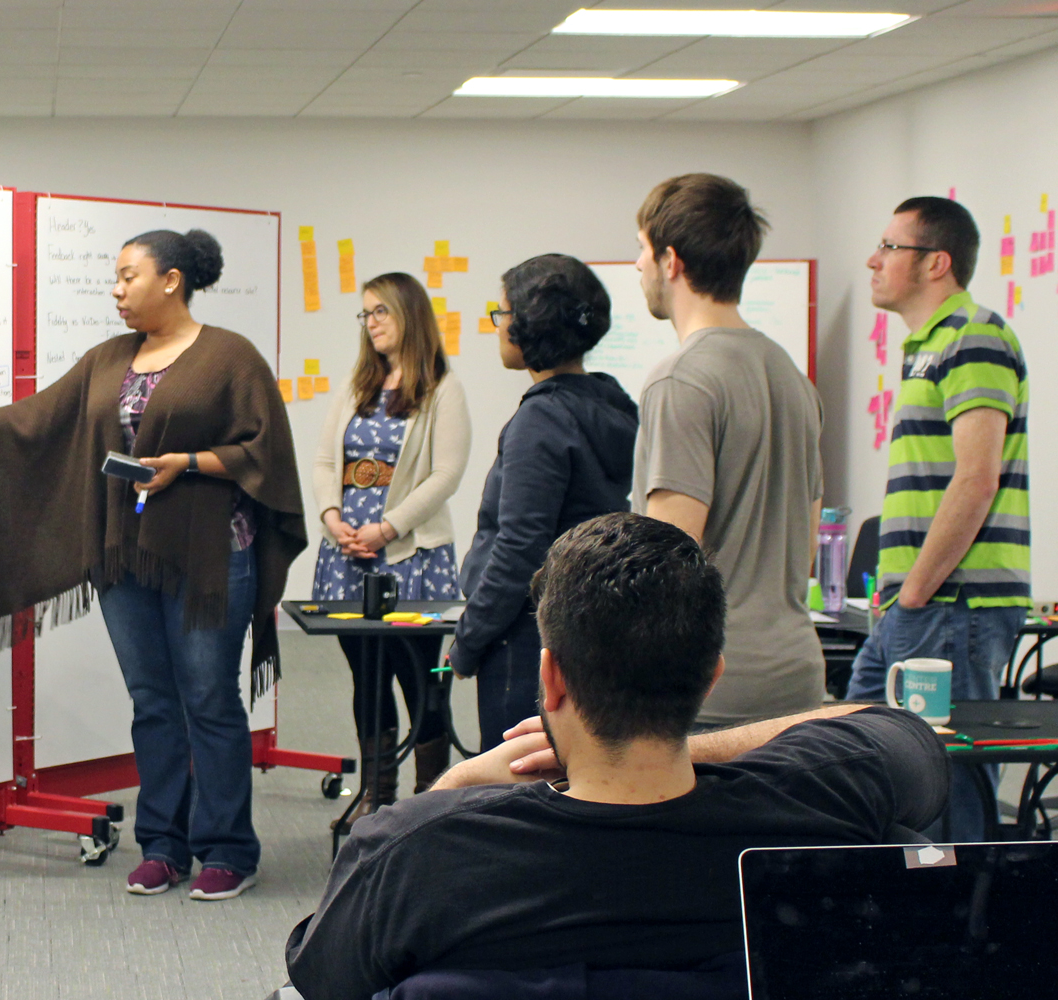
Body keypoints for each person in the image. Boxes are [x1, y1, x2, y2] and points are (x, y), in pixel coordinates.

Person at [280, 513, 949, 1000]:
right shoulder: (821, 800)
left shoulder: (415, 852)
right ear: (711, 677)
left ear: (551, 678)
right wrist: (691, 744)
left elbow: (320, 979)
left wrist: (451, 787)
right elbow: (902, 734)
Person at [0, 229, 306, 902]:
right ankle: (164, 847)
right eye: (115, 278)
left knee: (208, 700)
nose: (116, 290)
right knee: (153, 702)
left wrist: (188, 463)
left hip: (208, 556)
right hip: (123, 558)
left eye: (128, 276)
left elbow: (263, 452)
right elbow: (31, 421)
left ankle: (228, 850)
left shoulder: (230, 357)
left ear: (171, 280)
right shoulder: (109, 358)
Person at [845, 196, 1030, 842]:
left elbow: (976, 479)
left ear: (936, 263)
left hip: (951, 604)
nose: (874, 260)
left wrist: (917, 591)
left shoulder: (973, 337)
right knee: (860, 757)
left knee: (943, 796)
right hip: (918, 604)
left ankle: (965, 909)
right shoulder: (928, 345)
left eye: (889, 247)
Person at [631, 173, 824, 728]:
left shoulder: (681, 379)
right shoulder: (792, 377)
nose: (638, 265)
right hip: (794, 674)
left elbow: (670, 558)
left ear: (671, 261)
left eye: (642, 249)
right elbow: (807, 538)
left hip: (709, 686)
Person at [449, 255, 635, 750]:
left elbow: (520, 548)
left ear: (528, 326)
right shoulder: (609, 404)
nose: (498, 326)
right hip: (581, 626)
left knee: (518, 778)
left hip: (526, 638)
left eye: (502, 314)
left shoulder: (541, 419)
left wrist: (468, 641)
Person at [311, 271, 470, 805]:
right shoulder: (356, 384)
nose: (371, 322)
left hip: (410, 553)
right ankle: (377, 798)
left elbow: (446, 475)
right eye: (366, 313)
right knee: (367, 677)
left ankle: (430, 800)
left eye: (381, 311)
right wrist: (332, 518)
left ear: (409, 314)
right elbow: (325, 461)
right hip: (348, 554)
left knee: (419, 676)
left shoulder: (442, 388)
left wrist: (387, 527)